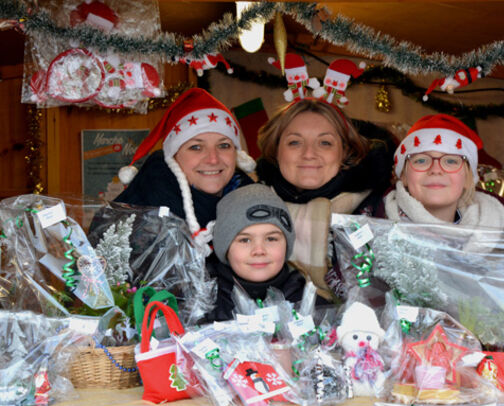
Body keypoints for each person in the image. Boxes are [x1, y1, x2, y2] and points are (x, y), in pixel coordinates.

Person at [256, 98, 393, 300]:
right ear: (275, 150)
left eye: (325, 143)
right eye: (295, 142)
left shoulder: (381, 210)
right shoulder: (251, 207)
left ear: (346, 151)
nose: (309, 154)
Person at [114, 88, 255, 247]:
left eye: (223, 145)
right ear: (174, 156)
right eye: (196, 147)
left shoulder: (255, 203)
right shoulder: (141, 215)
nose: (213, 159)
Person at [377, 113, 504, 230]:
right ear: (403, 175)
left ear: (469, 178)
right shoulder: (369, 233)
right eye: (421, 160)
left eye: (450, 161)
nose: (435, 170)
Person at [205, 184, 311, 322]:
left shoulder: (310, 302)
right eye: (245, 240)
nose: (259, 251)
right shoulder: (201, 305)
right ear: (224, 247)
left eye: (271, 239)